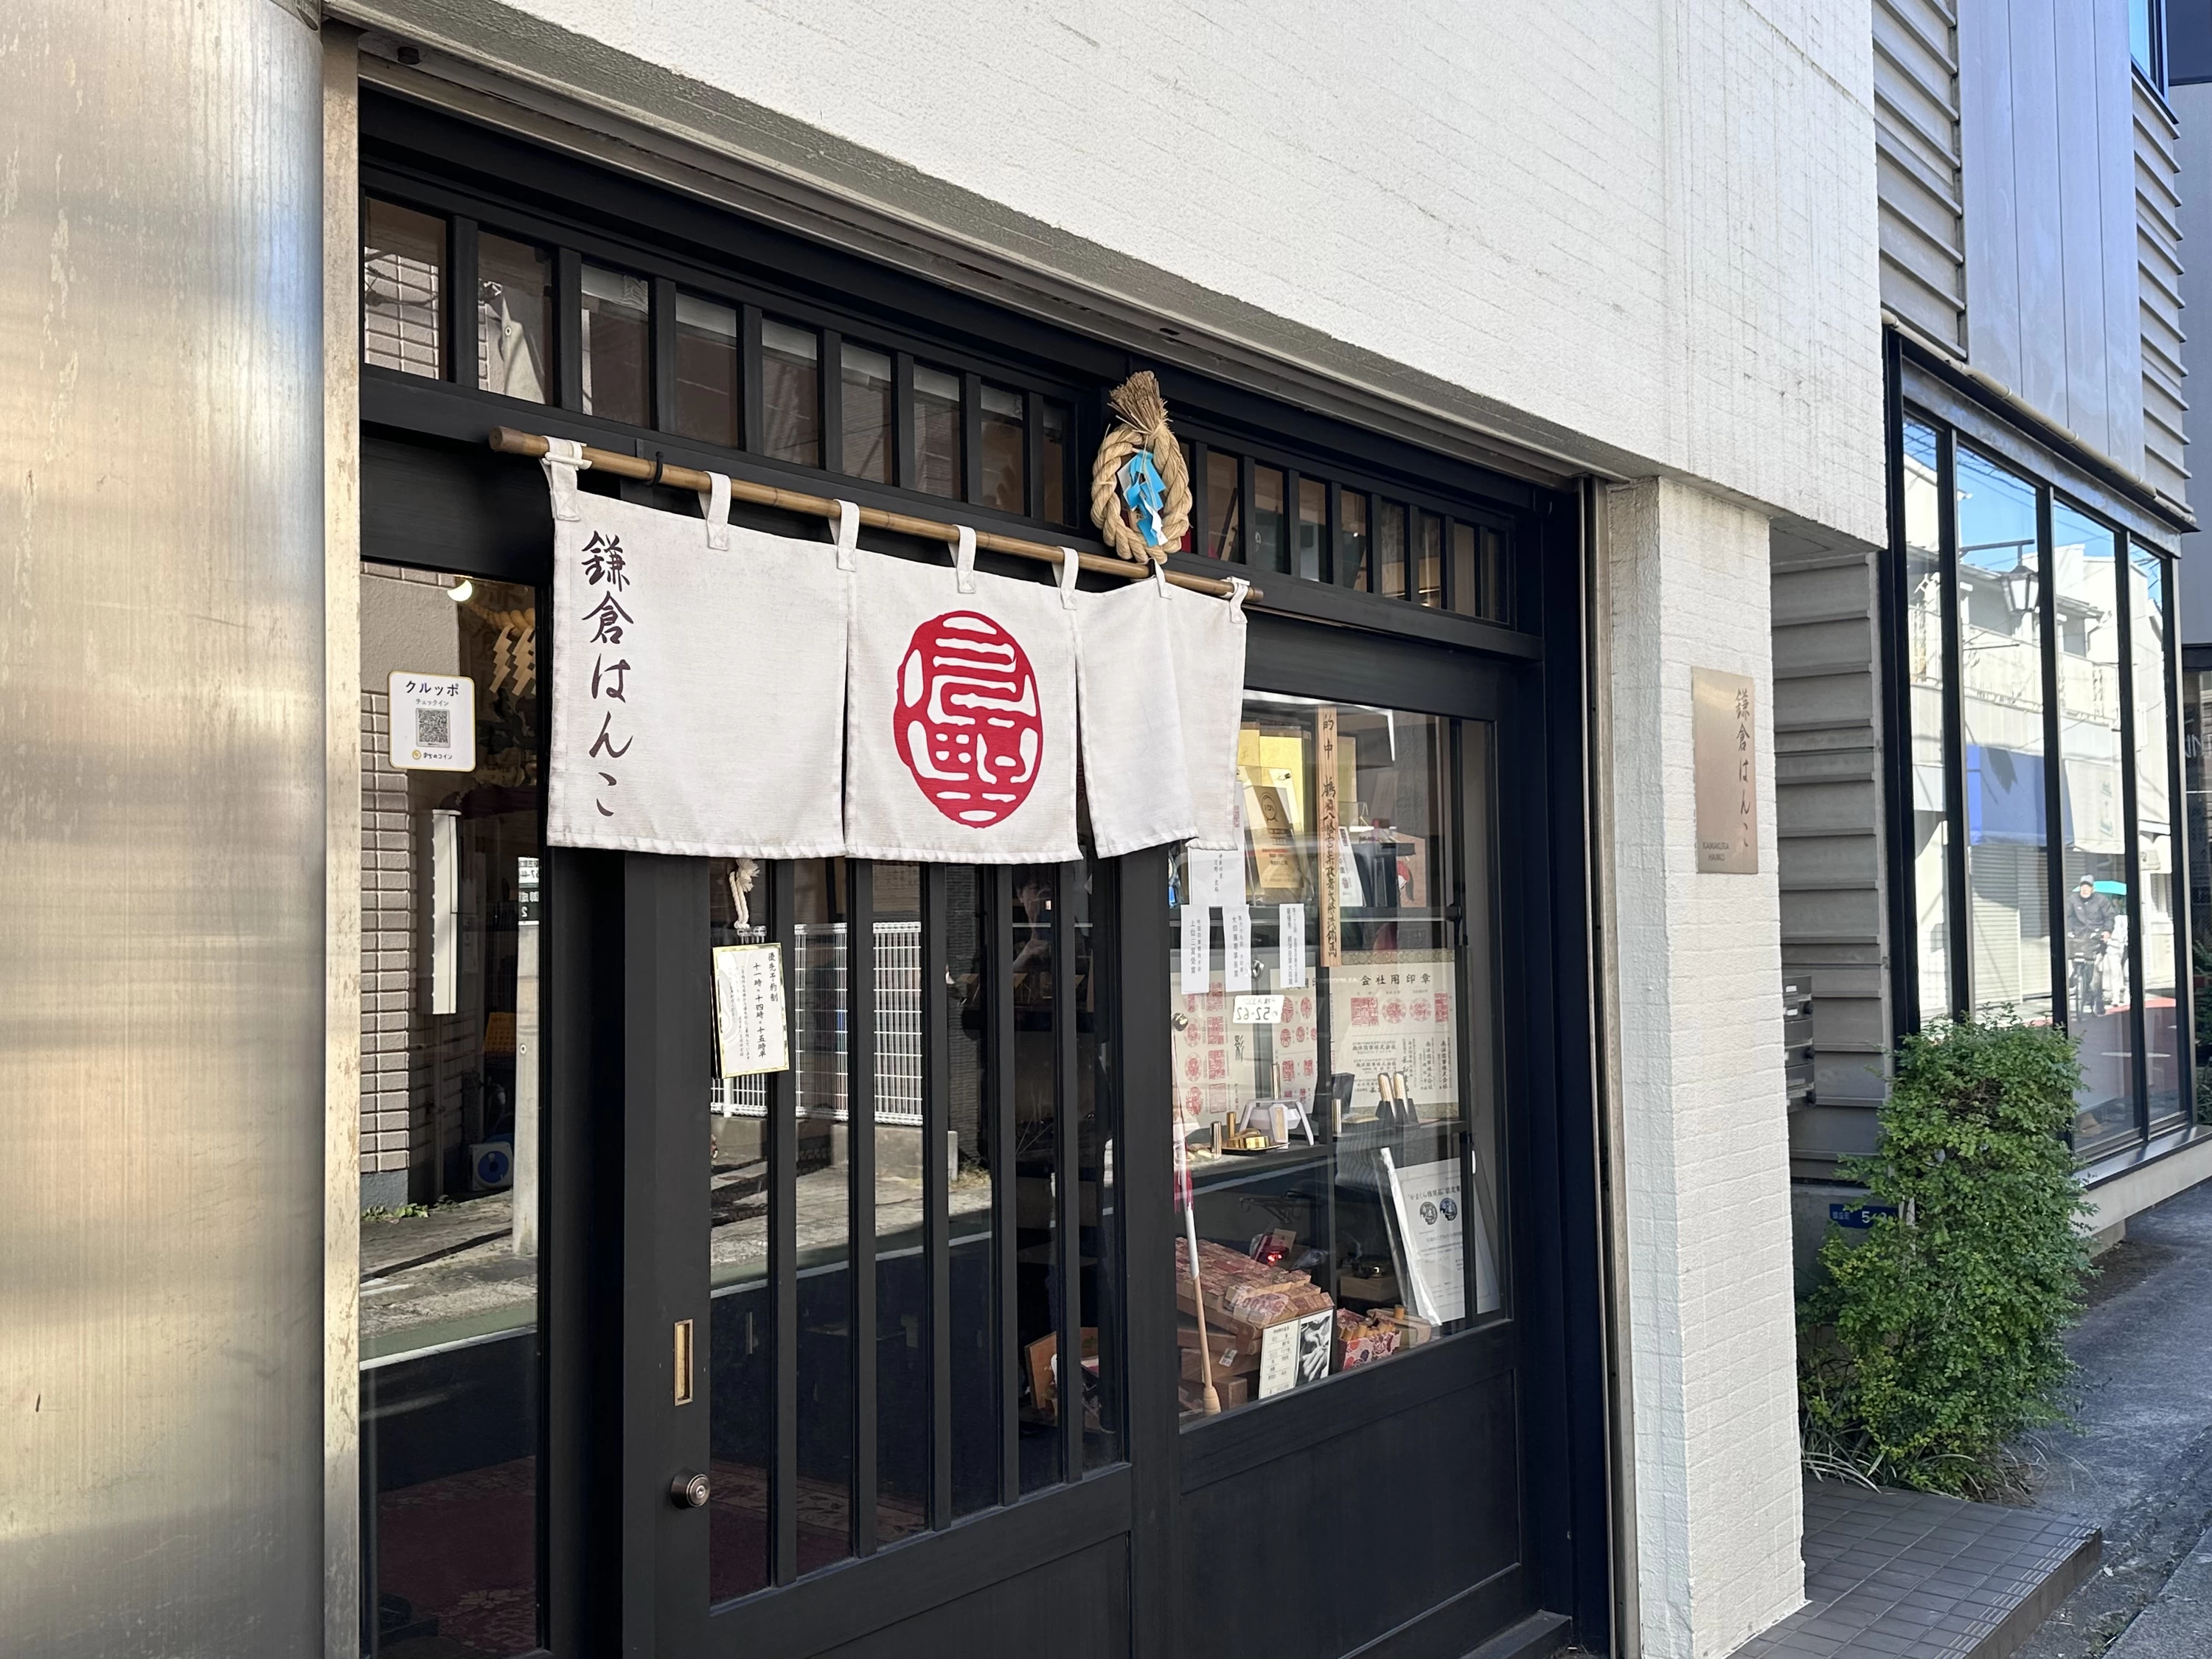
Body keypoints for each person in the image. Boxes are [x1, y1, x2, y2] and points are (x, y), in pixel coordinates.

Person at [2066, 874, 2118, 1018]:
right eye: (2083, 886)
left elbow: (2109, 917)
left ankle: (2097, 1003)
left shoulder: (2101, 900)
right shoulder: (2073, 899)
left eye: (2087, 886)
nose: (2085, 889)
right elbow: (2067, 916)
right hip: (2078, 939)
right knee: (2075, 960)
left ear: (2092, 888)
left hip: (2096, 938)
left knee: (2096, 969)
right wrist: (2068, 930)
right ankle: (2076, 976)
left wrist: (2107, 932)